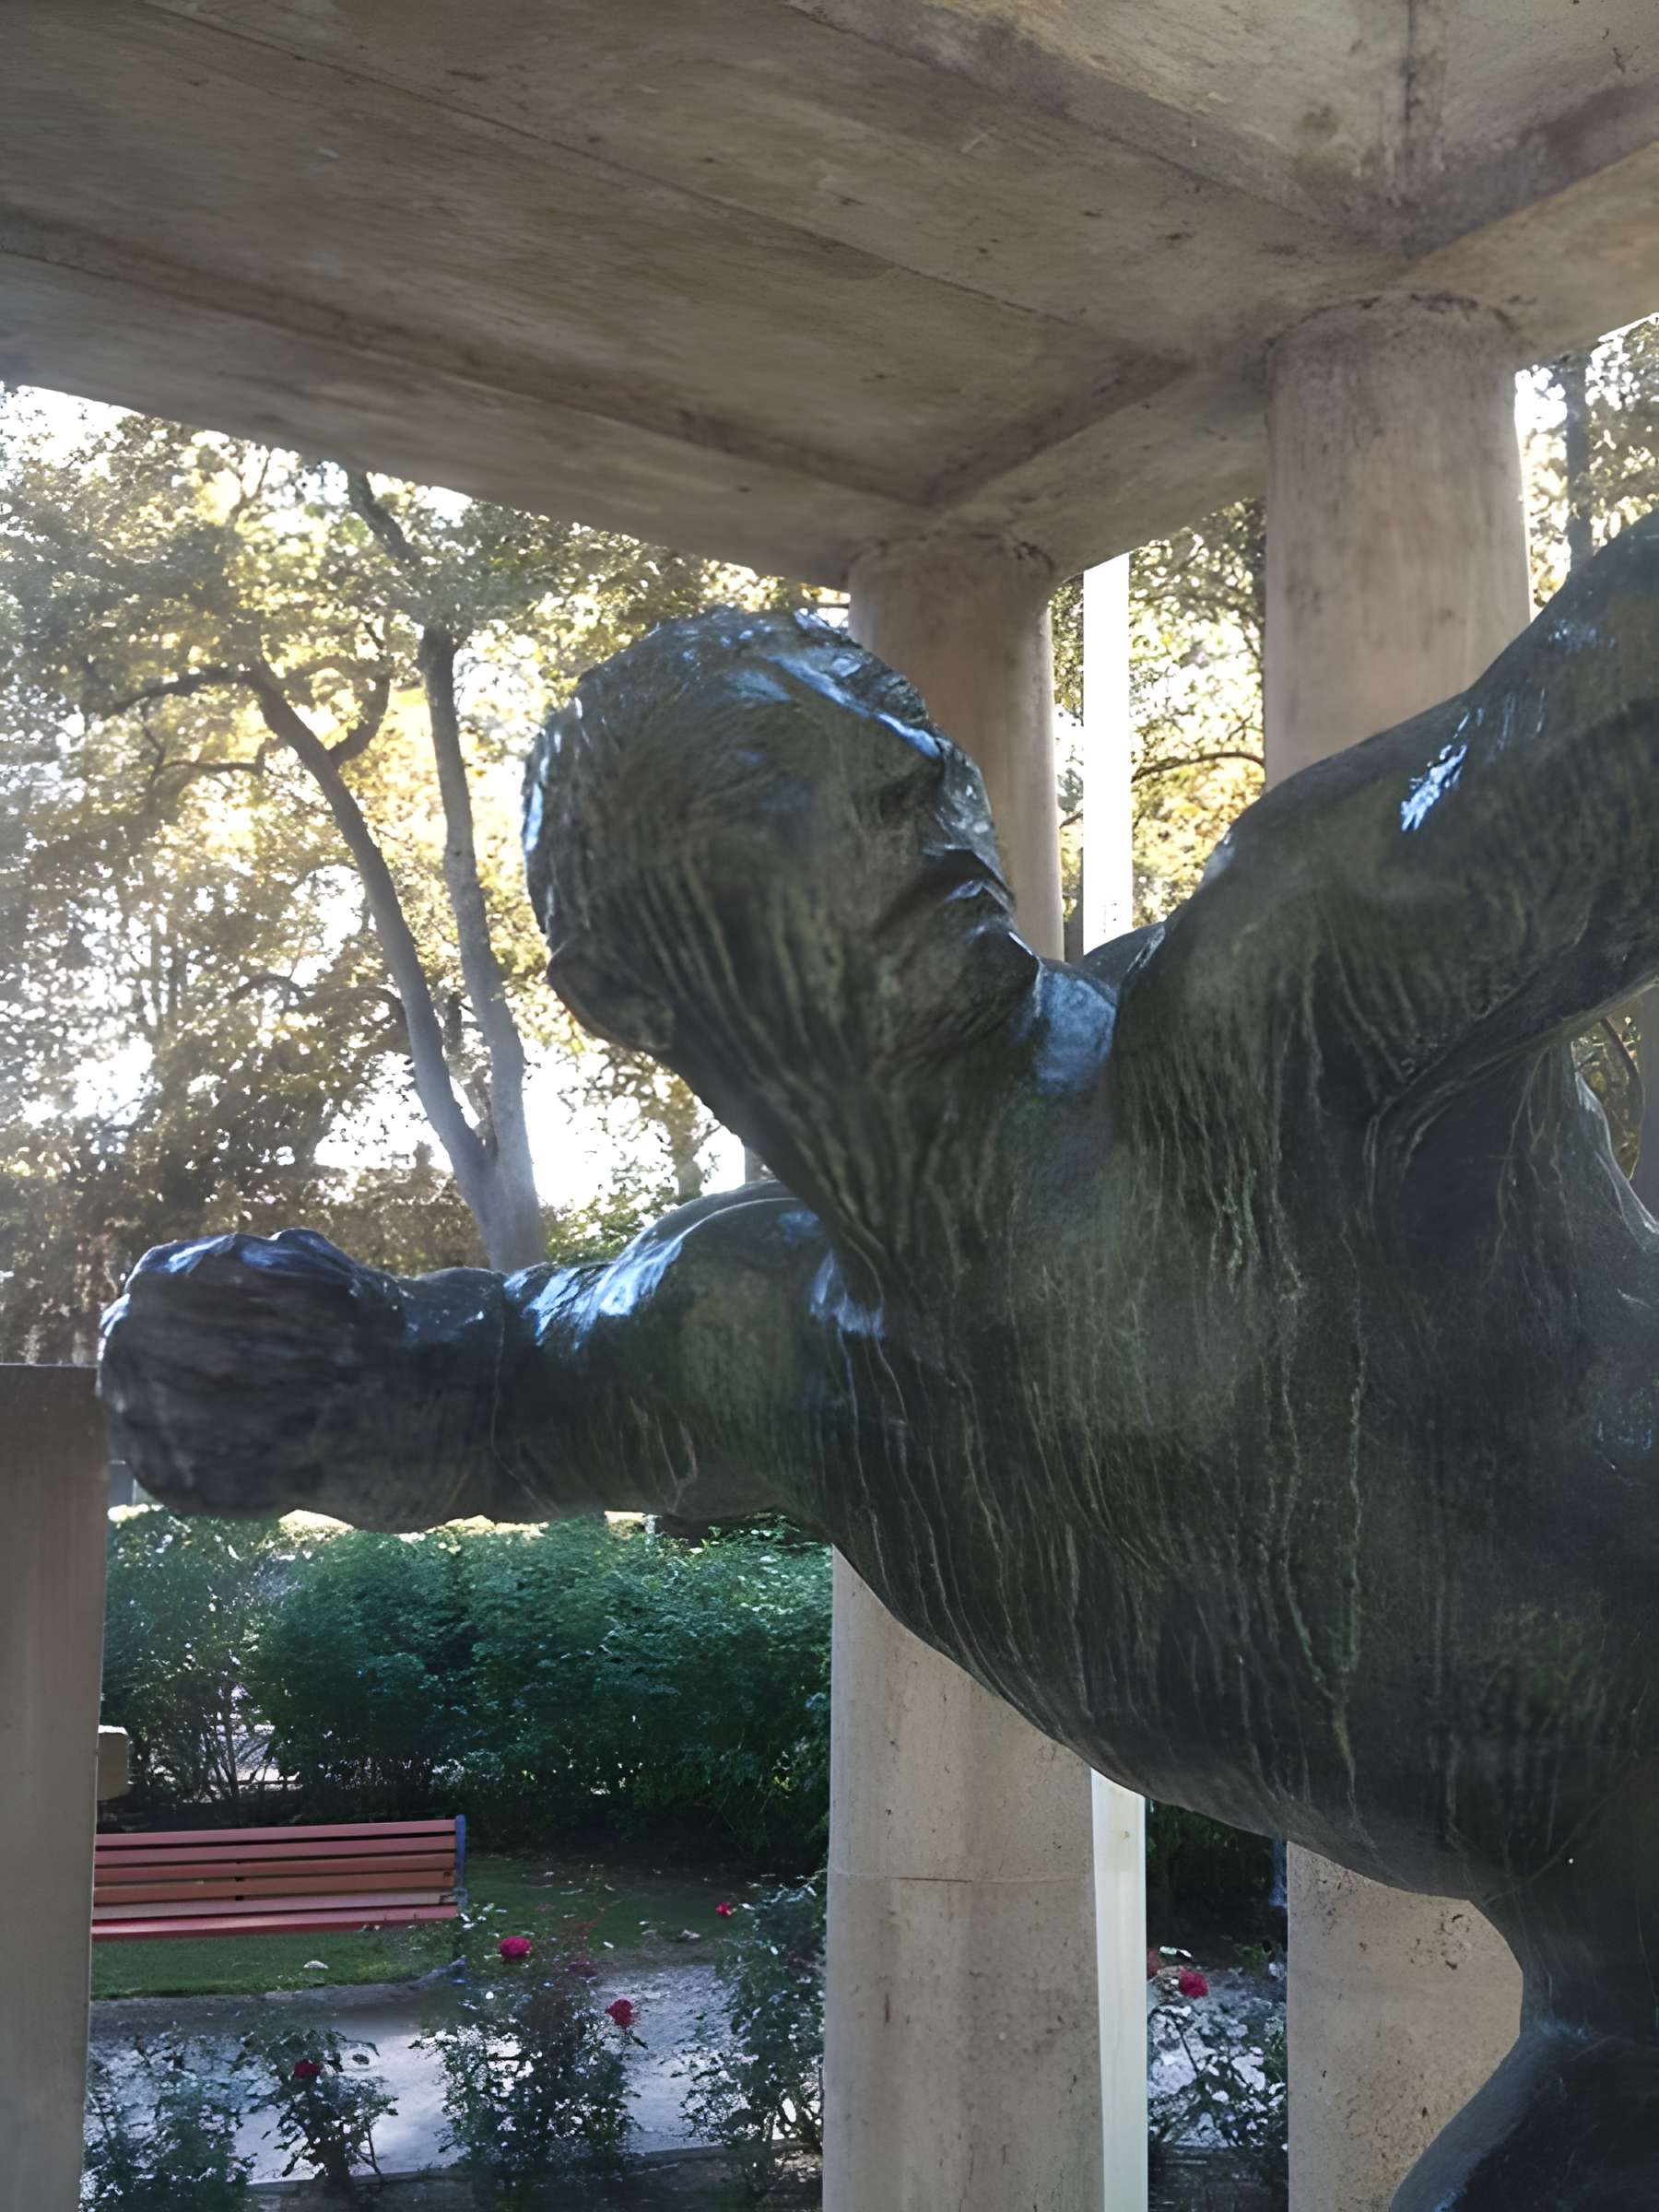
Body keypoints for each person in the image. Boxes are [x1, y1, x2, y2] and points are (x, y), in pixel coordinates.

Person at [103, 522, 1659, 2208]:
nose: (915, 786)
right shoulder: (744, 1338)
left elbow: (1596, 722)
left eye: (911, 746)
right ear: (624, 981)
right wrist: (259, 1373)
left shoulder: (1288, 1010)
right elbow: (461, 1393)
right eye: (778, 782)